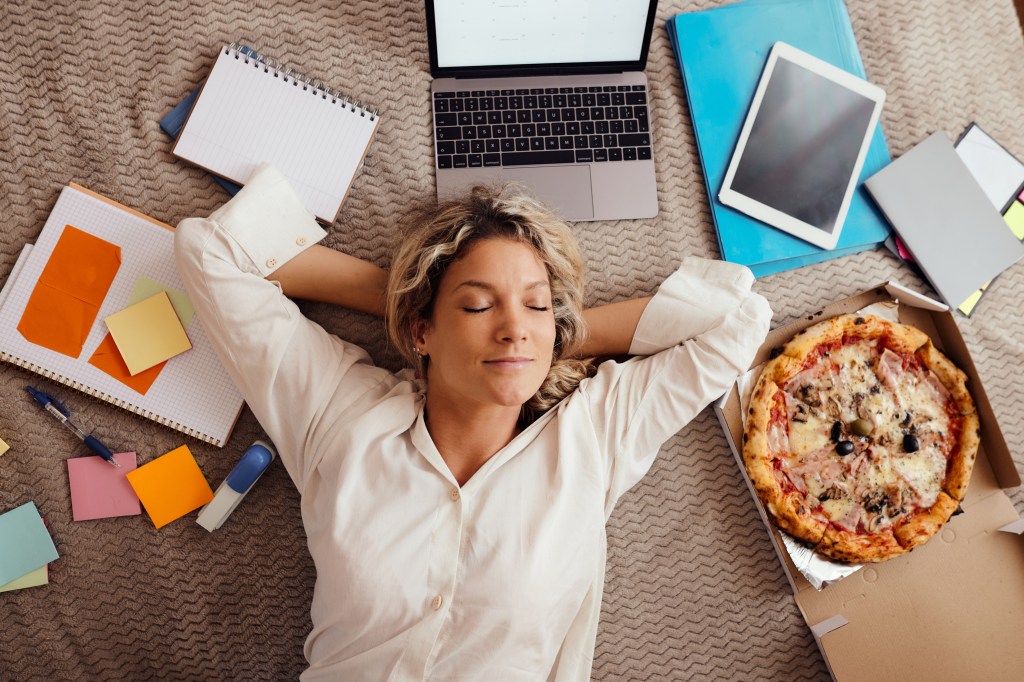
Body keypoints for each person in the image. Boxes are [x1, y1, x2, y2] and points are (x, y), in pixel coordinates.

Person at [174, 163, 772, 681]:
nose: (514, 325)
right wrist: (408, 299)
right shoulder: (341, 416)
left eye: (536, 303)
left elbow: (738, 319)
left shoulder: (593, 438)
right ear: (421, 331)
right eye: (478, 305)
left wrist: (547, 340)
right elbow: (210, 249)